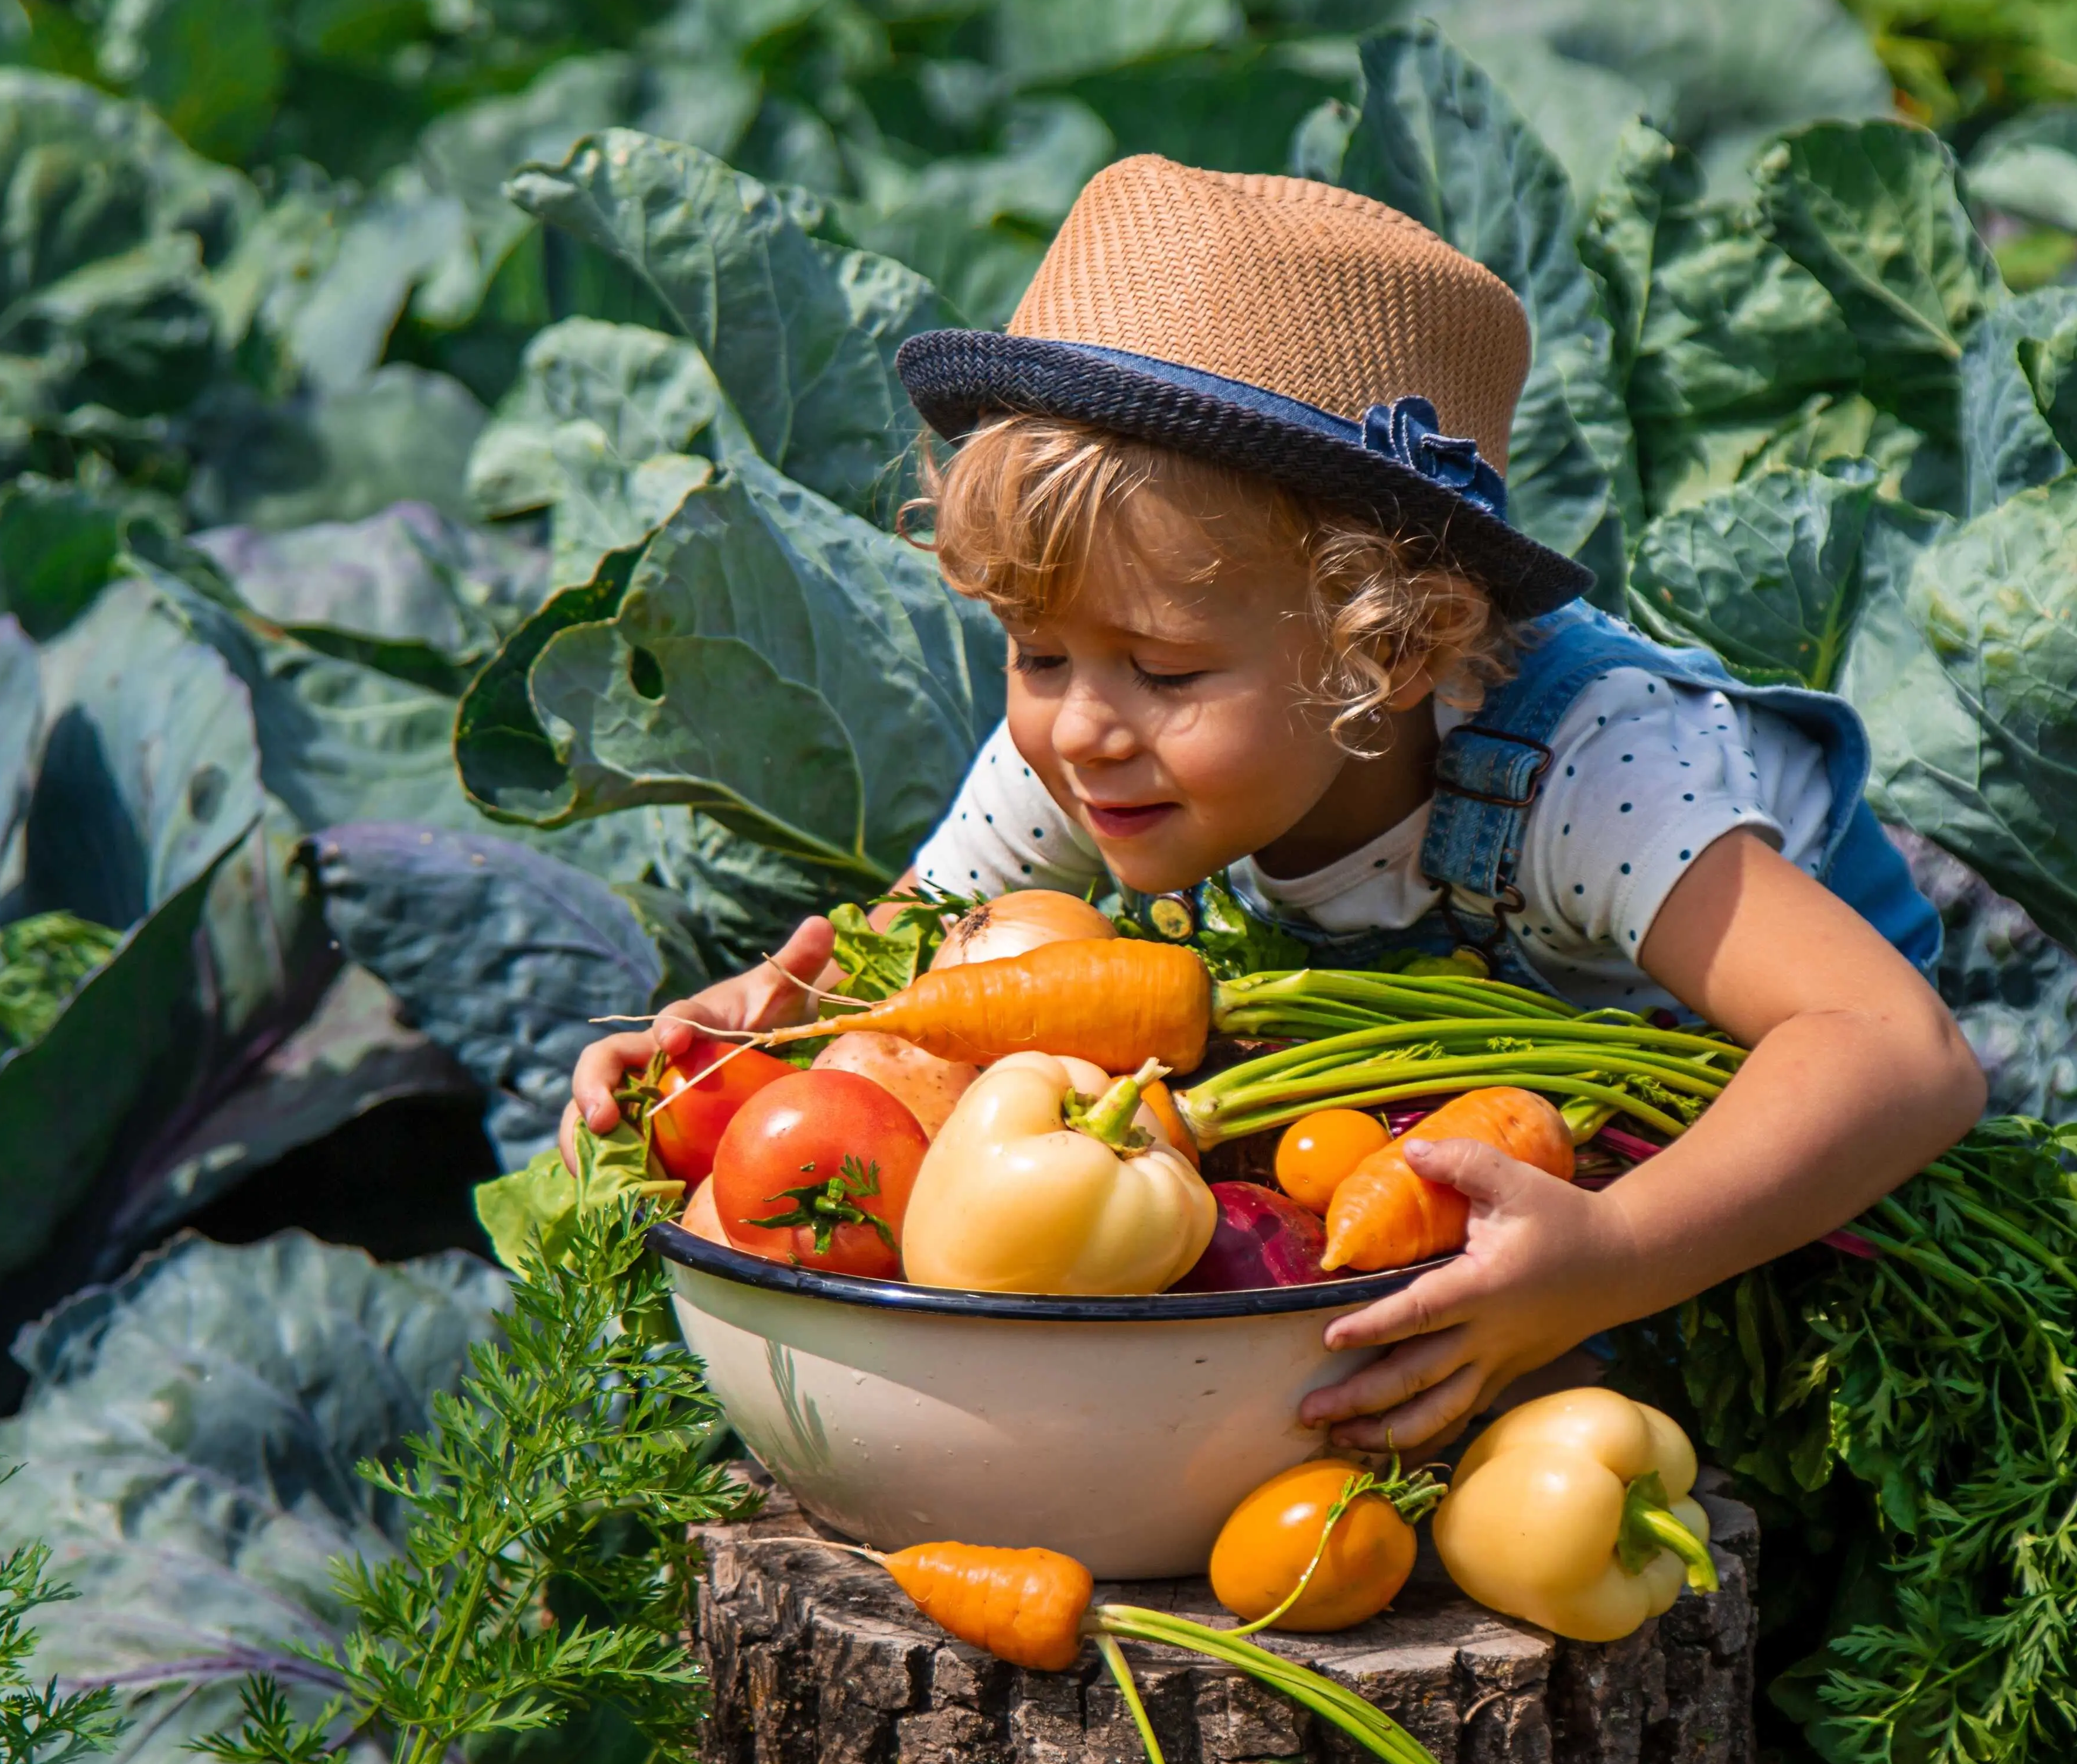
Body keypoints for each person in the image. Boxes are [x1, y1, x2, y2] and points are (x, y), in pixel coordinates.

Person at [564, 154, 1985, 1451]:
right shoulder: (1094, 747)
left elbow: (1896, 1057)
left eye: (1167, 668)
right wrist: (748, 1043)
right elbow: (915, 964)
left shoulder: (1587, 770)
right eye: (1036, 650)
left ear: (1394, 647)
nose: (1078, 725)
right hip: (1472, 1161)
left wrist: (1610, 1254)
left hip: (1755, 1173)